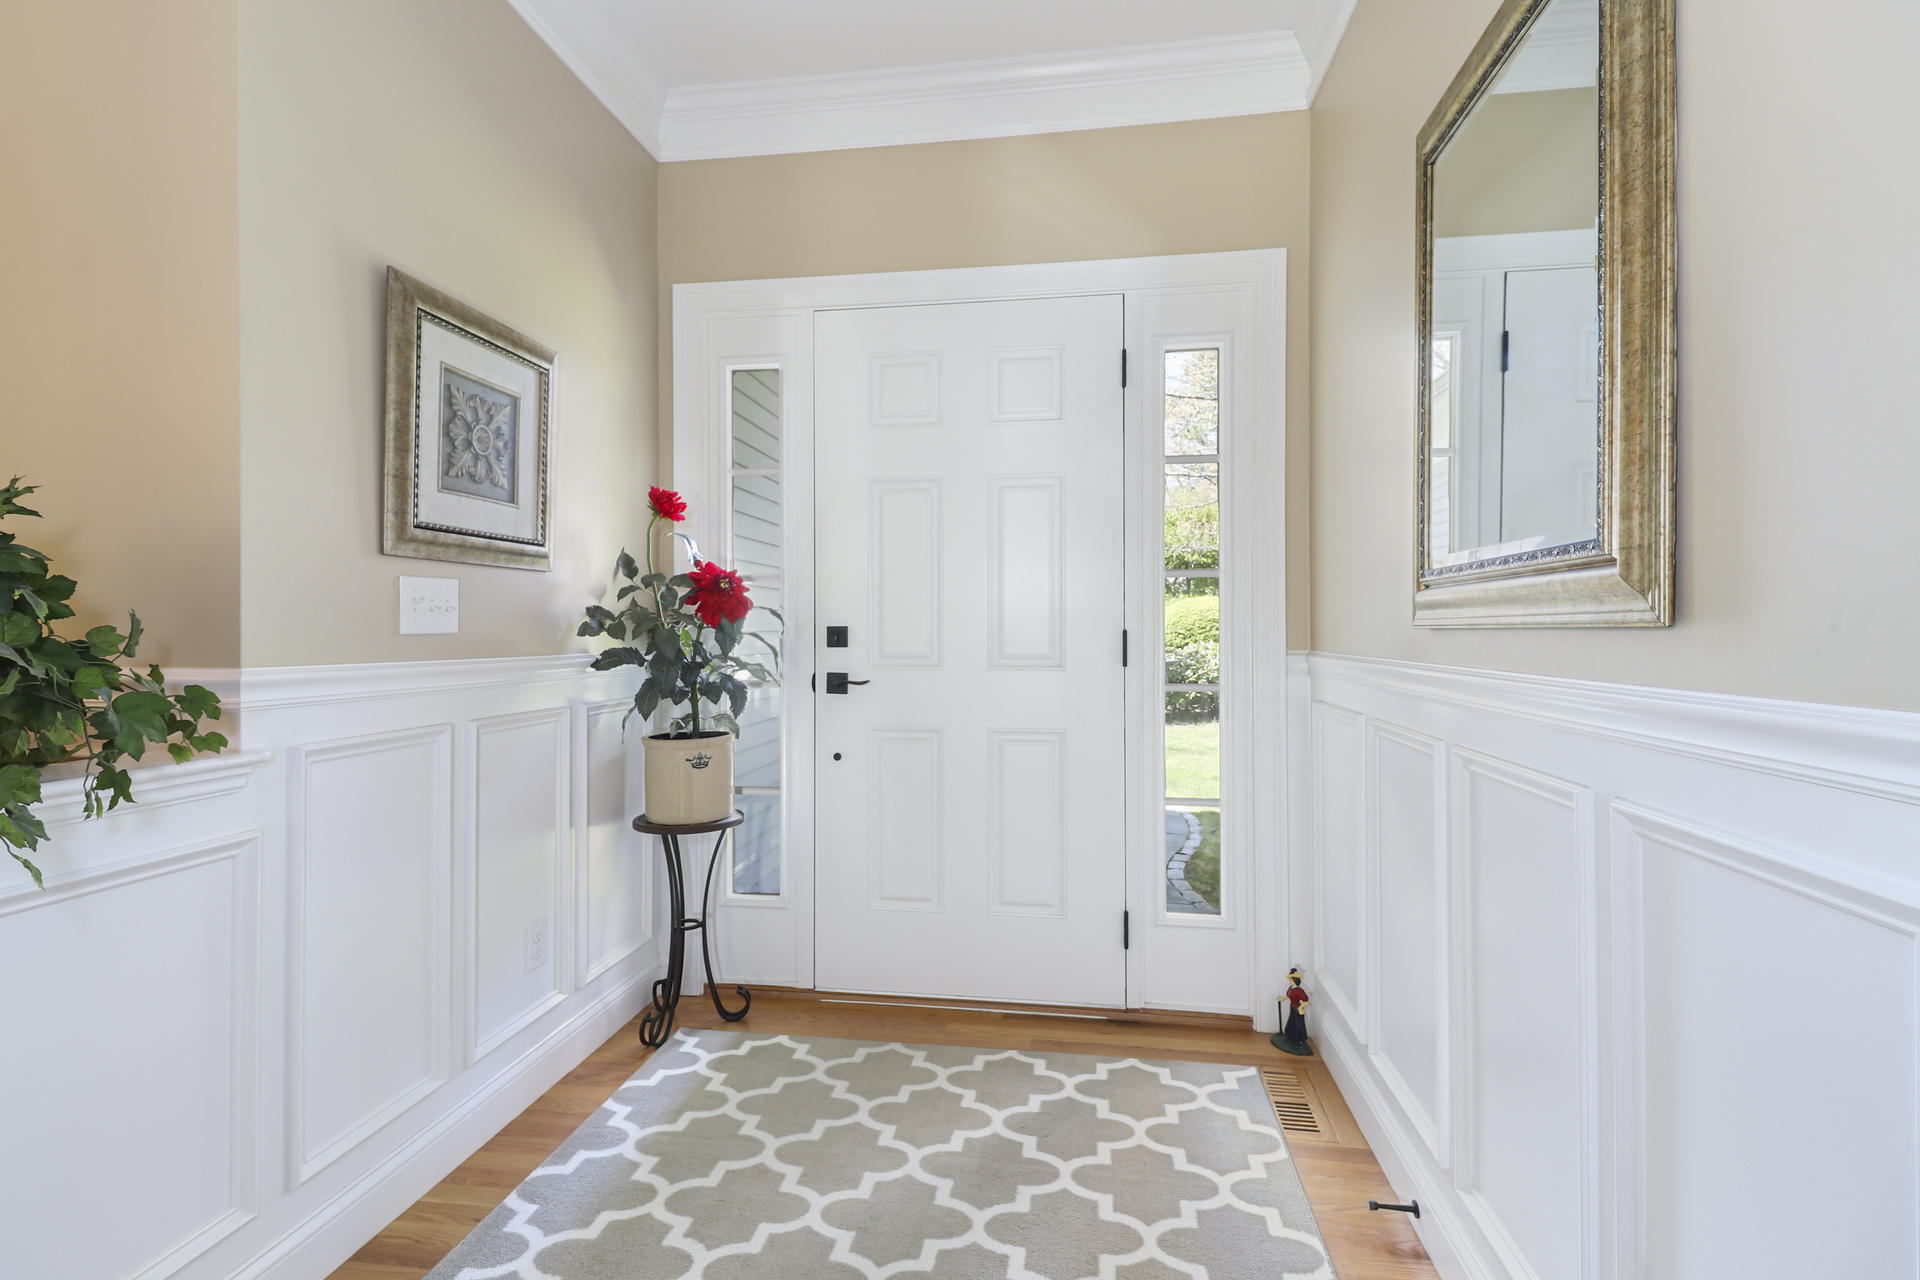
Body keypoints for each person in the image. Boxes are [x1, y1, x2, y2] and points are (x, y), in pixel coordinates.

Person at [1274, 968, 1313, 1056]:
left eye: (1291, 980)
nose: (1290, 981)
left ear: (1295, 980)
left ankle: (1300, 1040)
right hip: (1292, 1008)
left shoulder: (1300, 991)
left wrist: (1301, 1007)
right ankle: (1290, 1036)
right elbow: (1288, 996)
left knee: (1298, 1024)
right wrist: (1281, 999)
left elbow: (1306, 1000)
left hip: (1297, 1009)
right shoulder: (1291, 989)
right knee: (1292, 1023)